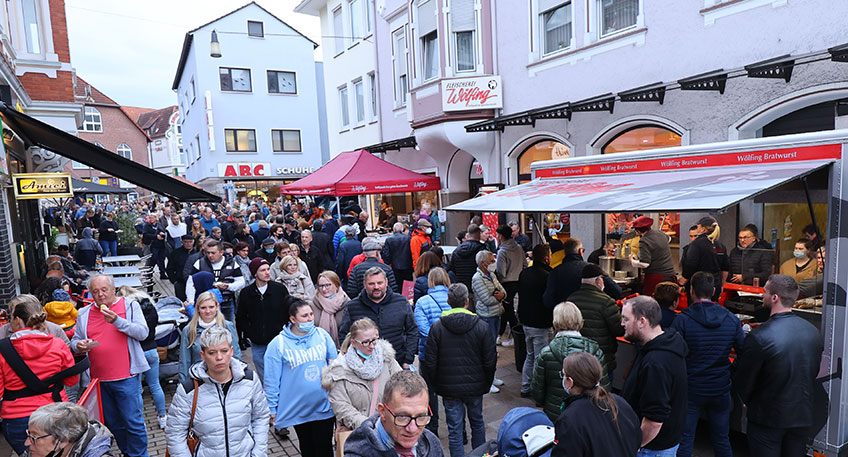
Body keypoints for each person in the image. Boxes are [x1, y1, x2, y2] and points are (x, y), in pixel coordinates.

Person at [733, 274, 823, 457]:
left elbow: (744, 379)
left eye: (765, 292)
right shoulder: (812, 332)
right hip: (801, 415)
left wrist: (746, 400)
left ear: (775, 298)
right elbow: (812, 370)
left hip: (767, 417)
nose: (762, 296)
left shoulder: (760, 336)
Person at [70, 275, 150, 457]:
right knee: (113, 423)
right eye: (95, 291)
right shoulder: (84, 313)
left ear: (113, 289)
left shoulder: (129, 306)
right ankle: (128, 452)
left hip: (126, 377)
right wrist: (79, 345)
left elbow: (142, 333)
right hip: (98, 380)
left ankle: (140, 454)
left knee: (133, 421)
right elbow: (74, 341)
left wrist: (117, 321)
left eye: (104, 290)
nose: (100, 295)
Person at [671, 272, 745, 457]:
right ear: (714, 291)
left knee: (685, 439)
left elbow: (673, 354)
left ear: (691, 291)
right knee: (721, 439)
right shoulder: (731, 320)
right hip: (720, 387)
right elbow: (744, 352)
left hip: (691, 388)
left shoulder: (682, 320)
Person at [166, 325, 269, 457]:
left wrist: (258, 453)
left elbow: (260, 417)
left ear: (232, 351)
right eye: (212, 352)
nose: (219, 357)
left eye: (224, 351)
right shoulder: (188, 390)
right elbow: (175, 433)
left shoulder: (249, 380)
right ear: (202, 355)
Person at [0, 297, 81, 455]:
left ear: (17, 320)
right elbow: (72, 380)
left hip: (18, 419)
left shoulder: (2, 350)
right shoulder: (58, 344)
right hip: (56, 412)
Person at [423, 283, 495, 457]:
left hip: (449, 388)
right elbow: (490, 360)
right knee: (477, 423)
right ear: (467, 301)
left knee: (454, 430)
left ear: (448, 301)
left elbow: (430, 362)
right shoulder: (482, 327)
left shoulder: (437, 327)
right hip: (475, 386)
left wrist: (437, 383)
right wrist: (486, 383)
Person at [265, 300, 338, 457]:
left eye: (311, 314)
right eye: (304, 316)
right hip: (298, 407)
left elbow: (336, 365)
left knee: (324, 446)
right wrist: (272, 408)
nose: (310, 318)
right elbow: (271, 379)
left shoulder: (322, 335)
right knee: (307, 446)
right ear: (293, 319)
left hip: (324, 405)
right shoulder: (278, 344)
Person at [620, 296, 687, 457]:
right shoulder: (665, 343)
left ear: (642, 321)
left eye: (625, 319)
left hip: (651, 449)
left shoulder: (655, 363)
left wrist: (633, 446)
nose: (622, 324)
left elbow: (654, 420)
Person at [551, 352, 641, 457]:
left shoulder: (570, 418)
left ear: (570, 382)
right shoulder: (619, 402)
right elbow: (637, 439)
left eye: (563, 374)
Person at [531, 302, 608, 421]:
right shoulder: (595, 352)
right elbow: (605, 388)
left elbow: (537, 390)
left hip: (555, 414)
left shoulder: (546, 353)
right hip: (587, 413)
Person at [322, 318, 402, 431]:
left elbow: (402, 386)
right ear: (353, 342)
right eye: (366, 342)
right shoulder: (339, 369)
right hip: (358, 432)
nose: (372, 346)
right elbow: (341, 405)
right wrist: (367, 424)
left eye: (375, 340)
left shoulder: (387, 360)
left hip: (388, 428)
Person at [344, 370, 443, 457]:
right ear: (382, 412)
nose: (412, 429)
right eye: (402, 417)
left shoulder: (432, 444)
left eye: (421, 416)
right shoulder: (357, 453)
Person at [340, 267, 418, 369]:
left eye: (380, 283)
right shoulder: (353, 306)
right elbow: (344, 335)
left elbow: (412, 330)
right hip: (364, 366)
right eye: (371, 284)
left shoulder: (401, 302)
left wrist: (408, 360)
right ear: (364, 284)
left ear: (386, 282)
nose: (376, 287)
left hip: (397, 363)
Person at [116, 286, 167, 430]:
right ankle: (163, 416)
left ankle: (140, 421)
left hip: (136, 352)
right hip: (152, 350)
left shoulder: (127, 310)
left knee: (137, 389)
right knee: (155, 385)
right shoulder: (149, 306)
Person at [236, 258, 292, 382]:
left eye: (268, 269)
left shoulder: (279, 289)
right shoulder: (246, 293)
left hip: (278, 340)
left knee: (282, 372)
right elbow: (241, 317)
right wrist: (249, 334)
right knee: (264, 375)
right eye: (263, 270)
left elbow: (288, 311)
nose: (267, 272)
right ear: (255, 273)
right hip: (258, 342)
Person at [566, 263, 624, 382]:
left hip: (577, 358)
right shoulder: (607, 302)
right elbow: (619, 330)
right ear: (598, 281)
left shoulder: (571, 299)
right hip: (601, 360)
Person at [413, 267, 451, 435]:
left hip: (428, 354)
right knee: (451, 393)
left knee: (430, 392)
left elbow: (422, 330)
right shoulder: (454, 298)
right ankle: (458, 430)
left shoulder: (422, 302)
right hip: (451, 353)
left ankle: (433, 428)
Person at [178, 291, 241, 384]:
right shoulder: (189, 330)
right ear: (198, 309)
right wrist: (183, 385)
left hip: (225, 378)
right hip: (200, 380)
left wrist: (238, 378)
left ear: (217, 307)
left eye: (211, 307)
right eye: (203, 308)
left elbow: (236, 355)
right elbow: (184, 361)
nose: (208, 311)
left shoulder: (227, 326)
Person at [543, 238, 622, 309]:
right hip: (591, 314)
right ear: (580, 251)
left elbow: (548, 300)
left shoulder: (555, 272)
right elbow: (616, 291)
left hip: (564, 317)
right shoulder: (592, 269)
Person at [517, 244, 552, 397]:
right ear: (546, 258)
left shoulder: (524, 273)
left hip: (525, 320)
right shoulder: (547, 276)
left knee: (530, 355)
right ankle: (537, 391)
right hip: (540, 322)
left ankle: (525, 386)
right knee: (539, 357)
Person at [24, 402, 114, 457]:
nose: (26, 443)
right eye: (29, 434)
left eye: (34, 437)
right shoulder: (37, 452)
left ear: (62, 440)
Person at [186, 239, 246, 321]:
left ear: (221, 252)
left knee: (227, 326)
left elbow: (241, 281)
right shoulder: (199, 263)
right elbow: (190, 283)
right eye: (208, 253)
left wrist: (228, 286)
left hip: (226, 302)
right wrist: (191, 301)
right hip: (205, 303)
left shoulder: (231, 263)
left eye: (213, 253)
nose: (210, 255)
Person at [681, 216, 728, 302]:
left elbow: (690, 265)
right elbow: (725, 268)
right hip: (714, 285)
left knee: (696, 312)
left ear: (703, 229)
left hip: (699, 286)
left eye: (698, 226)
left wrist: (681, 283)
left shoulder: (696, 244)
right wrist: (721, 285)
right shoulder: (720, 246)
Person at [628, 216, 676, 296]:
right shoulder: (660, 233)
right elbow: (669, 239)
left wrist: (632, 261)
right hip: (670, 275)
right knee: (667, 300)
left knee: (652, 302)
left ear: (638, 231)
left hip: (656, 277)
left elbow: (645, 264)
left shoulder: (644, 241)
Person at [494, 225, 525, 346]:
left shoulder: (502, 251)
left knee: (508, 309)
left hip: (507, 283)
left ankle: (512, 334)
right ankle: (501, 334)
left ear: (501, 236)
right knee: (508, 309)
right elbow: (524, 265)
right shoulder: (519, 248)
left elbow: (502, 271)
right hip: (518, 281)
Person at [448, 224, 487, 294]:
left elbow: (452, 268)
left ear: (468, 235)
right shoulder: (482, 251)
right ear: (479, 235)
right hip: (479, 287)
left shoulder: (456, 251)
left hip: (462, 287)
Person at [166, 234, 197, 302]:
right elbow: (169, 268)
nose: (188, 244)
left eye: (190, 242)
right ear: (182, 242)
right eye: (186, 242)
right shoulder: (175, 253)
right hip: (180, 282)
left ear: (193, 242)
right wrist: (174, 281)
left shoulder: (197, 253)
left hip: (195, 282)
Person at [142, 212, 169, 280]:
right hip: (152, 245)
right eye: (150, 217)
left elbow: (164, 231)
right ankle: (149, 273)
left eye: (152, 217)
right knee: (153, 259)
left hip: (161, 244)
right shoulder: (147, 225)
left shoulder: (159, 224)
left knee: (161, 259)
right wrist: (156, 236)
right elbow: (145, 234)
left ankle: (162, 274)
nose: (151, 219)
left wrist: (162, 234)